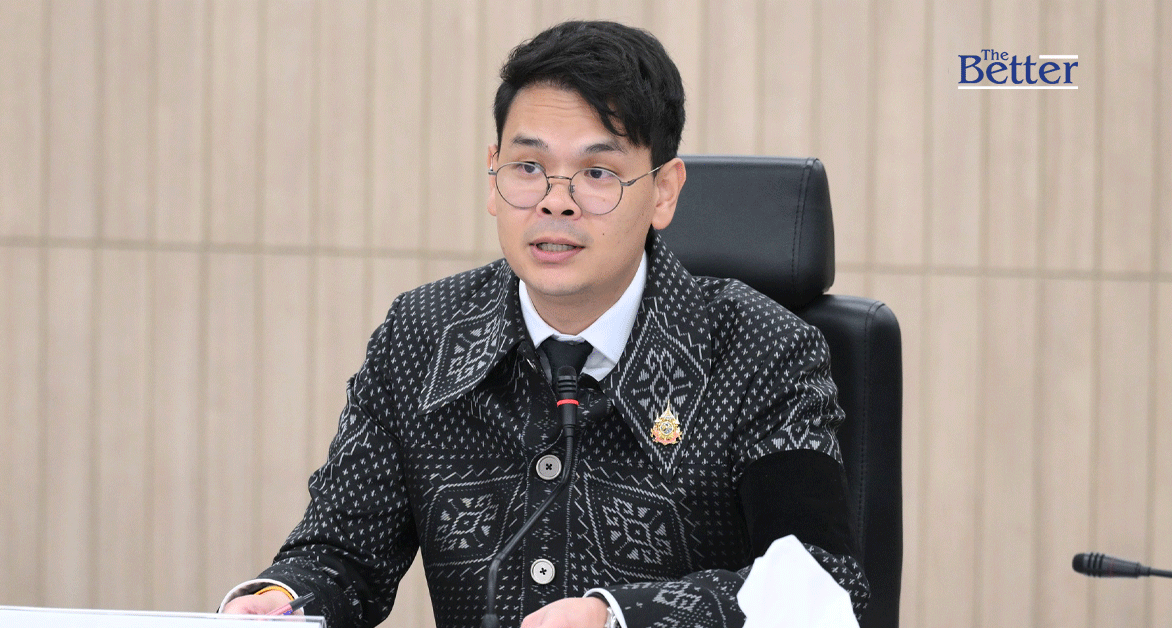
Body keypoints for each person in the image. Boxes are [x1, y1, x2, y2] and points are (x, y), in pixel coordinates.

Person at [220, 20, 869, 628]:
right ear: (493, 174)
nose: (556, 201)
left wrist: (618, 617)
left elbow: (822, 583)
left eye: (597, 172)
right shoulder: (423, 335)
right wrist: (283, 600)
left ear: (665, 191)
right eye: (528, 168)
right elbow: (341, 555)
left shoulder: (759, 350)